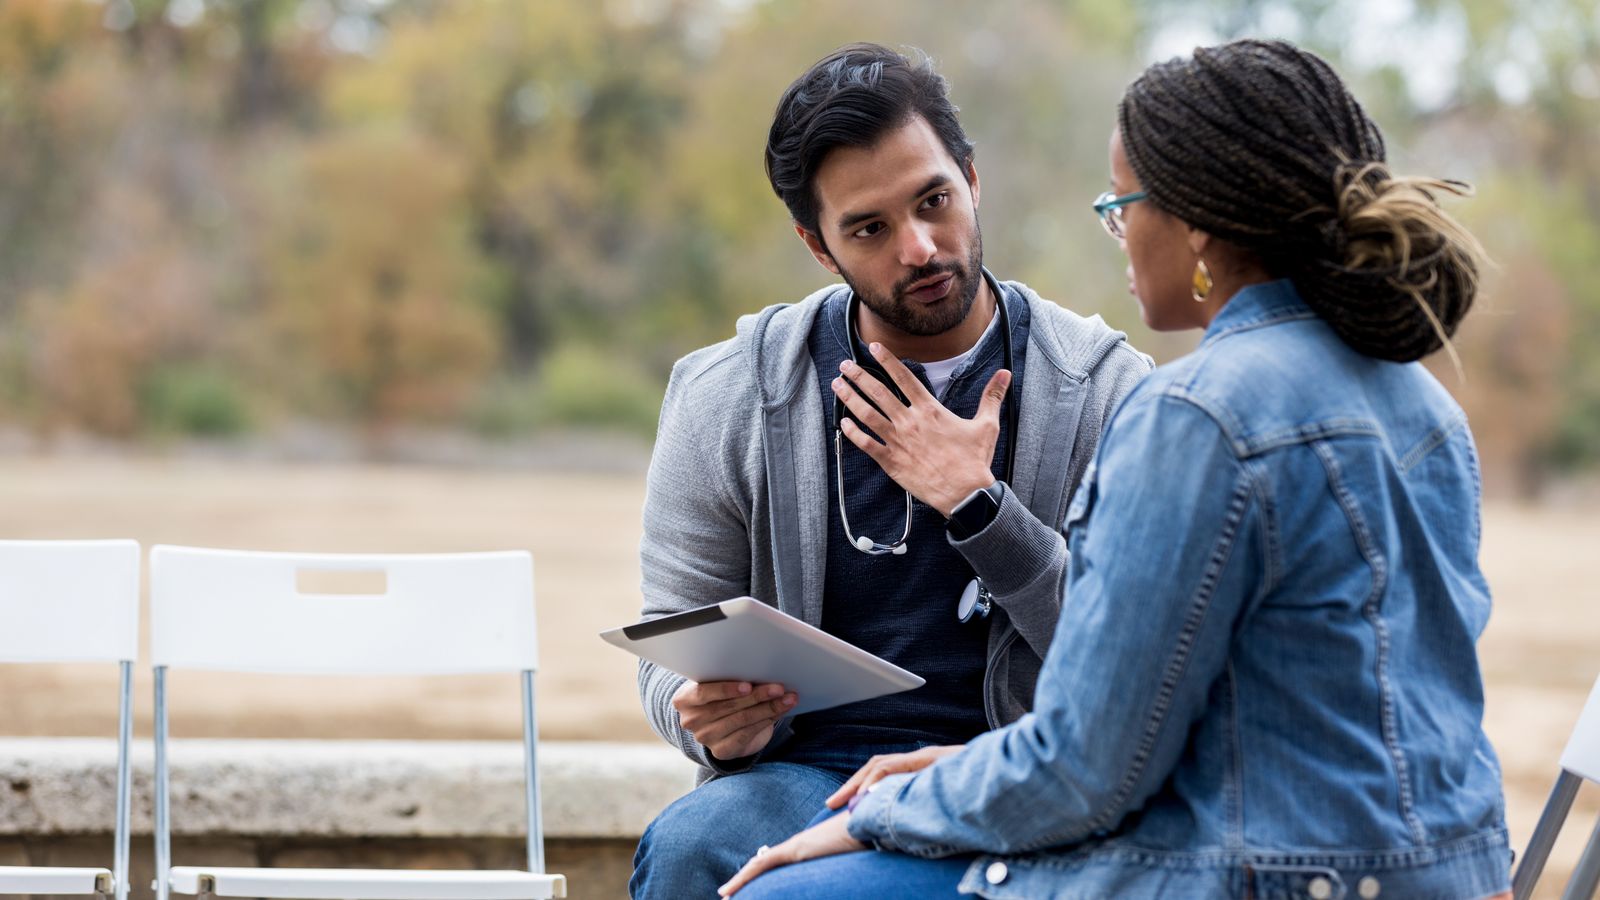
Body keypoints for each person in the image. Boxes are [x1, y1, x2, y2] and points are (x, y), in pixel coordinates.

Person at [720, 38, 1513, 900]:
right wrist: (971, 763)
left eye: (1123, 207)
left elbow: (1084, 774)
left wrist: (888, 808)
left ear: (1196, 225)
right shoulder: (1420, 400)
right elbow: (1279, 711)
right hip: (1444, 872)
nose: (1121, 235)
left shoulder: (1195, 416)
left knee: (779, 896)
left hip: (1257, 874)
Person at [629, 42, 1152, 898]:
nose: (919, 247)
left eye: (934, 201)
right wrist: (712, 725)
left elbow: (1134, 661)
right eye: (870, 228)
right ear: (817, 244)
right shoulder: (726, 394)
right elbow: (667, 646)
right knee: (693, 845)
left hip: (1011, 765)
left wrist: (983, 510)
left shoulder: (1105, 391)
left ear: (972, 180)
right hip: (804, 773)